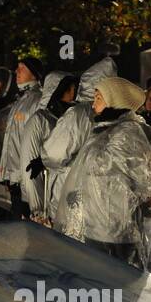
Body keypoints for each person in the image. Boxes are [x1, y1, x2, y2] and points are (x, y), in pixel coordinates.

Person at [52, 76, 151, 270]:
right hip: (95, 229)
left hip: (114, 235)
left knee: (112, 291)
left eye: (98, 97)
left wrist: (128, 211)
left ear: (113, 100)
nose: (93, 104)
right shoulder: (105, 131)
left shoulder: (126, 134)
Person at [40, 57, 119, 223]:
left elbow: (53, 154)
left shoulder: (78, 114)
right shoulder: (119, 115)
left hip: (69, 191)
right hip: (100, 202)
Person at [19, 72, 79, 222]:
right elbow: (29, 168)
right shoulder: (39, 121)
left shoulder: (69, 119)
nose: (74, 93)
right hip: (44, 208)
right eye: (70, 89)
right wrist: (38, 210)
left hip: (63, 205)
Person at [0, 57, 44, 217]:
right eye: (17, 68)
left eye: (22, 68)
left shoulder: (38, 100)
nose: (17, 71)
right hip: (16, 177)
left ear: (34, 74)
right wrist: (6, 175)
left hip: (28, 177)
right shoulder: (20, 100)